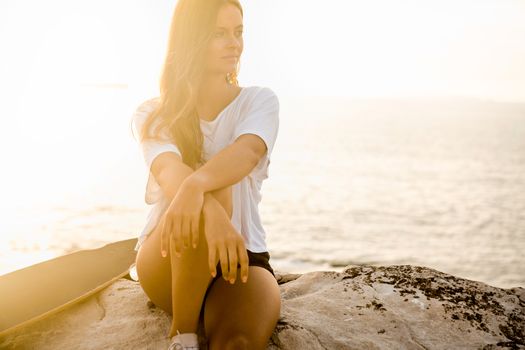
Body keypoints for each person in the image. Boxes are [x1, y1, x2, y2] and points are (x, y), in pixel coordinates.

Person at [131, 1, 281, 349]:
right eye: (219, 34)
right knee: (208, 199)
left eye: (238, 32)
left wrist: (197, 184)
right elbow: (169, 171)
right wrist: (210, 208)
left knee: (239, 343)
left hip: (241, 254)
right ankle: (181, 337)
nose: (234, 43)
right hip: (170, 253)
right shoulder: (153, 113)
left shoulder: (259, 102)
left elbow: (247, 152)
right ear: (193, 39)